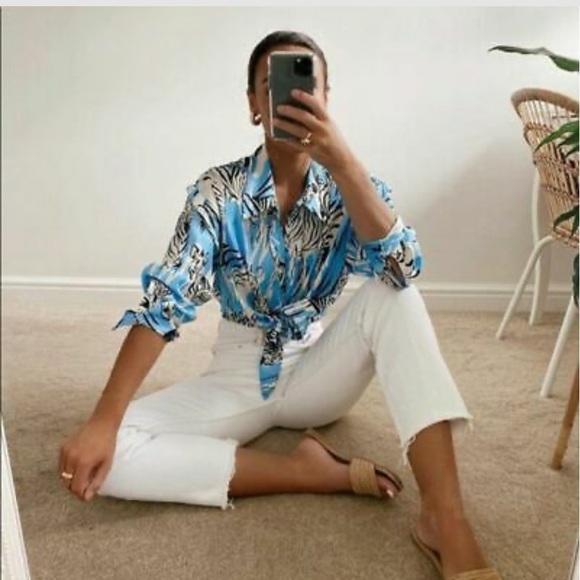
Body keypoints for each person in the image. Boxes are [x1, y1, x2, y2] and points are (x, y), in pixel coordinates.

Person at [58, 31, 501, 580]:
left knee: (395, 295)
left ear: (326, 99)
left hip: (319, 374)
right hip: (238, 378)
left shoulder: (351, 187)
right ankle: (303, 471)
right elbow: (166, 303)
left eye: (306, 87)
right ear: (253, 104)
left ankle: (444, 519)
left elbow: (404, 269)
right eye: (273, 87)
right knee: (110, 455)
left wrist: (343, 162)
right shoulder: (217, 194)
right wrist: (103, 420)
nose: (292, 99)